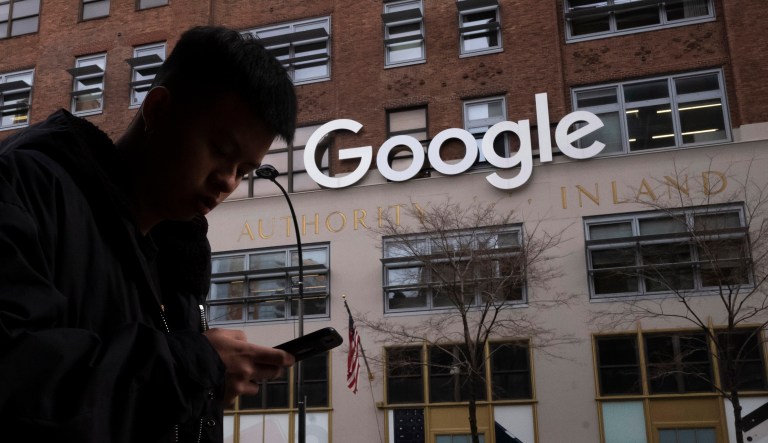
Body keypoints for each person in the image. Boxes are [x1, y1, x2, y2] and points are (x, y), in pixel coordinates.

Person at [0, 26, 297, 442]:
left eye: (243, 171)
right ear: (157, 110)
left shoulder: (178, 261)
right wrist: (190, 369)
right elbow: (18, 377)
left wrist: (203, 386)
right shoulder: (25, 189)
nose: (228, 181)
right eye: (221, 152)